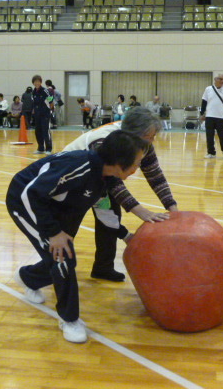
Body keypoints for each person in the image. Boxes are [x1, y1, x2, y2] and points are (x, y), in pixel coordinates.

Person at [8, 130, 148, 343]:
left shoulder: (106, 177)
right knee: (63, 257)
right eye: (136, 163)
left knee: (57, 255)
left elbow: (104, 211)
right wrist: (54, 232)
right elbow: (31, 193)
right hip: (26, 203)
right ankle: (69, 319)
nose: (137, 169)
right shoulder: (79, 166)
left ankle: (29, 277)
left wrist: (126, 235)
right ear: (120, 161)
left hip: (55, 206)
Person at [63, 107, 178, 282]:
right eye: (150, 136)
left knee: (110, 215)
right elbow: (113, 183)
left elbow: (155, 176)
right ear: (135, 133)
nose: (153, 140)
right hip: (71, 179)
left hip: (97, 180)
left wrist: (173, 210)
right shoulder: (105, 142)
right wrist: (141, 211)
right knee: (69, 224)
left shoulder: (142, 144)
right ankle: (52, 269)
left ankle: (103, 268)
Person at [200, 73, 223, 159]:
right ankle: (211, 152)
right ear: (215, 79)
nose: (221, 81)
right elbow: (204, 102)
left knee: (222, 136)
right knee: (209, 135)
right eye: (220, 79)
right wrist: (202, 114)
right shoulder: (208, 89)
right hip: (209, 116)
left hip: (221, 117)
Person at [31, 75, 53, 154]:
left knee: (45, 131)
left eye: (38, 81)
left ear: (40, 82)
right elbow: (33, 102)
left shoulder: (45, 91)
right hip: (37, 114)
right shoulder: (33, 92)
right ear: (33, 83)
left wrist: (50, 108)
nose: (36, 83)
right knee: (38, 131)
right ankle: (40, 148)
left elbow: (51, 99)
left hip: (45, 114)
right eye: (35, 82)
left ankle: (48, 148)